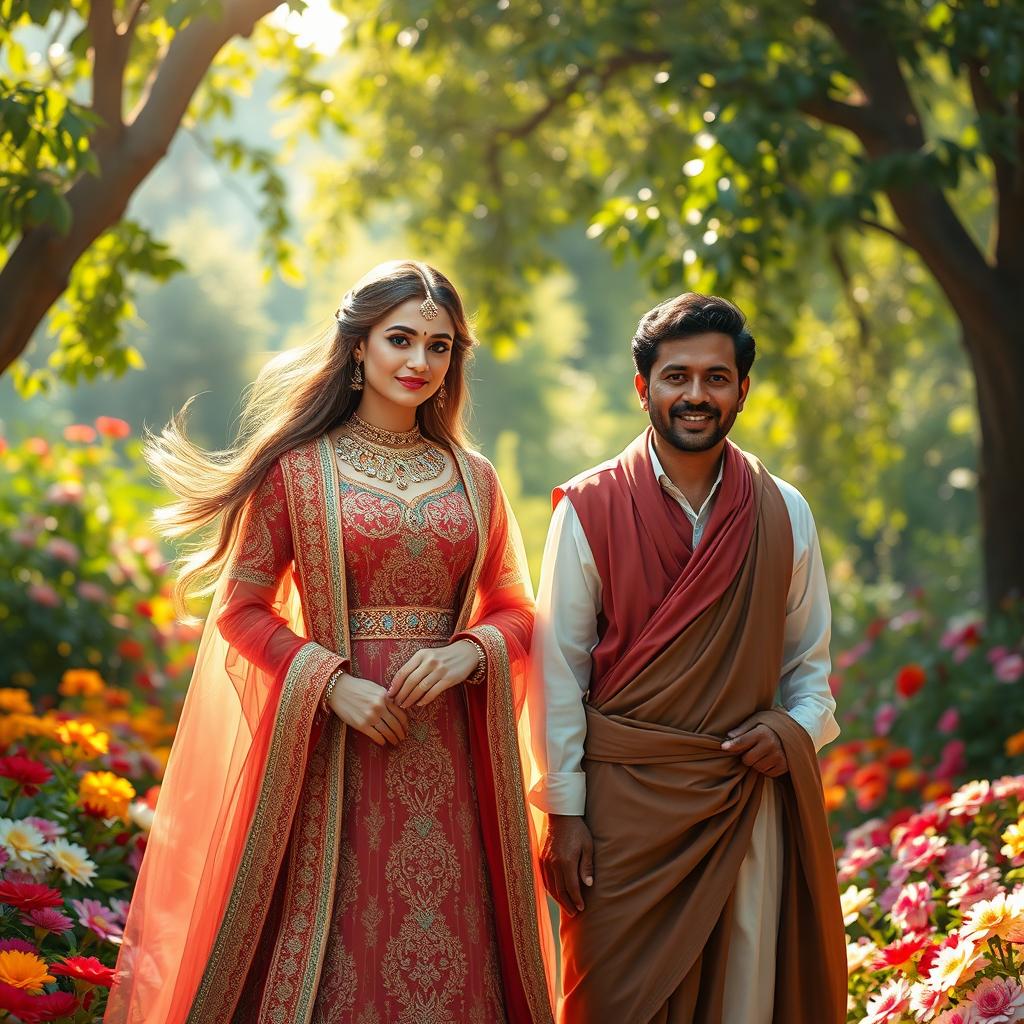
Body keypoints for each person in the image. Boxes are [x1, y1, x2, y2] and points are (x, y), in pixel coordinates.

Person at [105, 261, 555, 1024]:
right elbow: (241, 612)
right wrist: (329, 681)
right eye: (400, 340)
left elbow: (516, 608)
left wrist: (468, 651)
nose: (419, 362)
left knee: (456, 949)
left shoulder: (474, 479)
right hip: (335, 756)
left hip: (451, 758)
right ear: (358, 348)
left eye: (439, 347)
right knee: (344, 942)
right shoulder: (298, 472)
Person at [528, 293, 846, 1023]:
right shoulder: (589, 507)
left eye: (715, 377)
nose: (695, 395)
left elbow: (809, 670)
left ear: (742, 389)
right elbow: (558, 677)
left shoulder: (784, 511)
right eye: (676, 377)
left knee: (744, 996)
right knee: (611, 1000)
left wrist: (794, 731)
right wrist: (565, 817)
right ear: (643, 388)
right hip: (620, 820)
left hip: (744, 800)